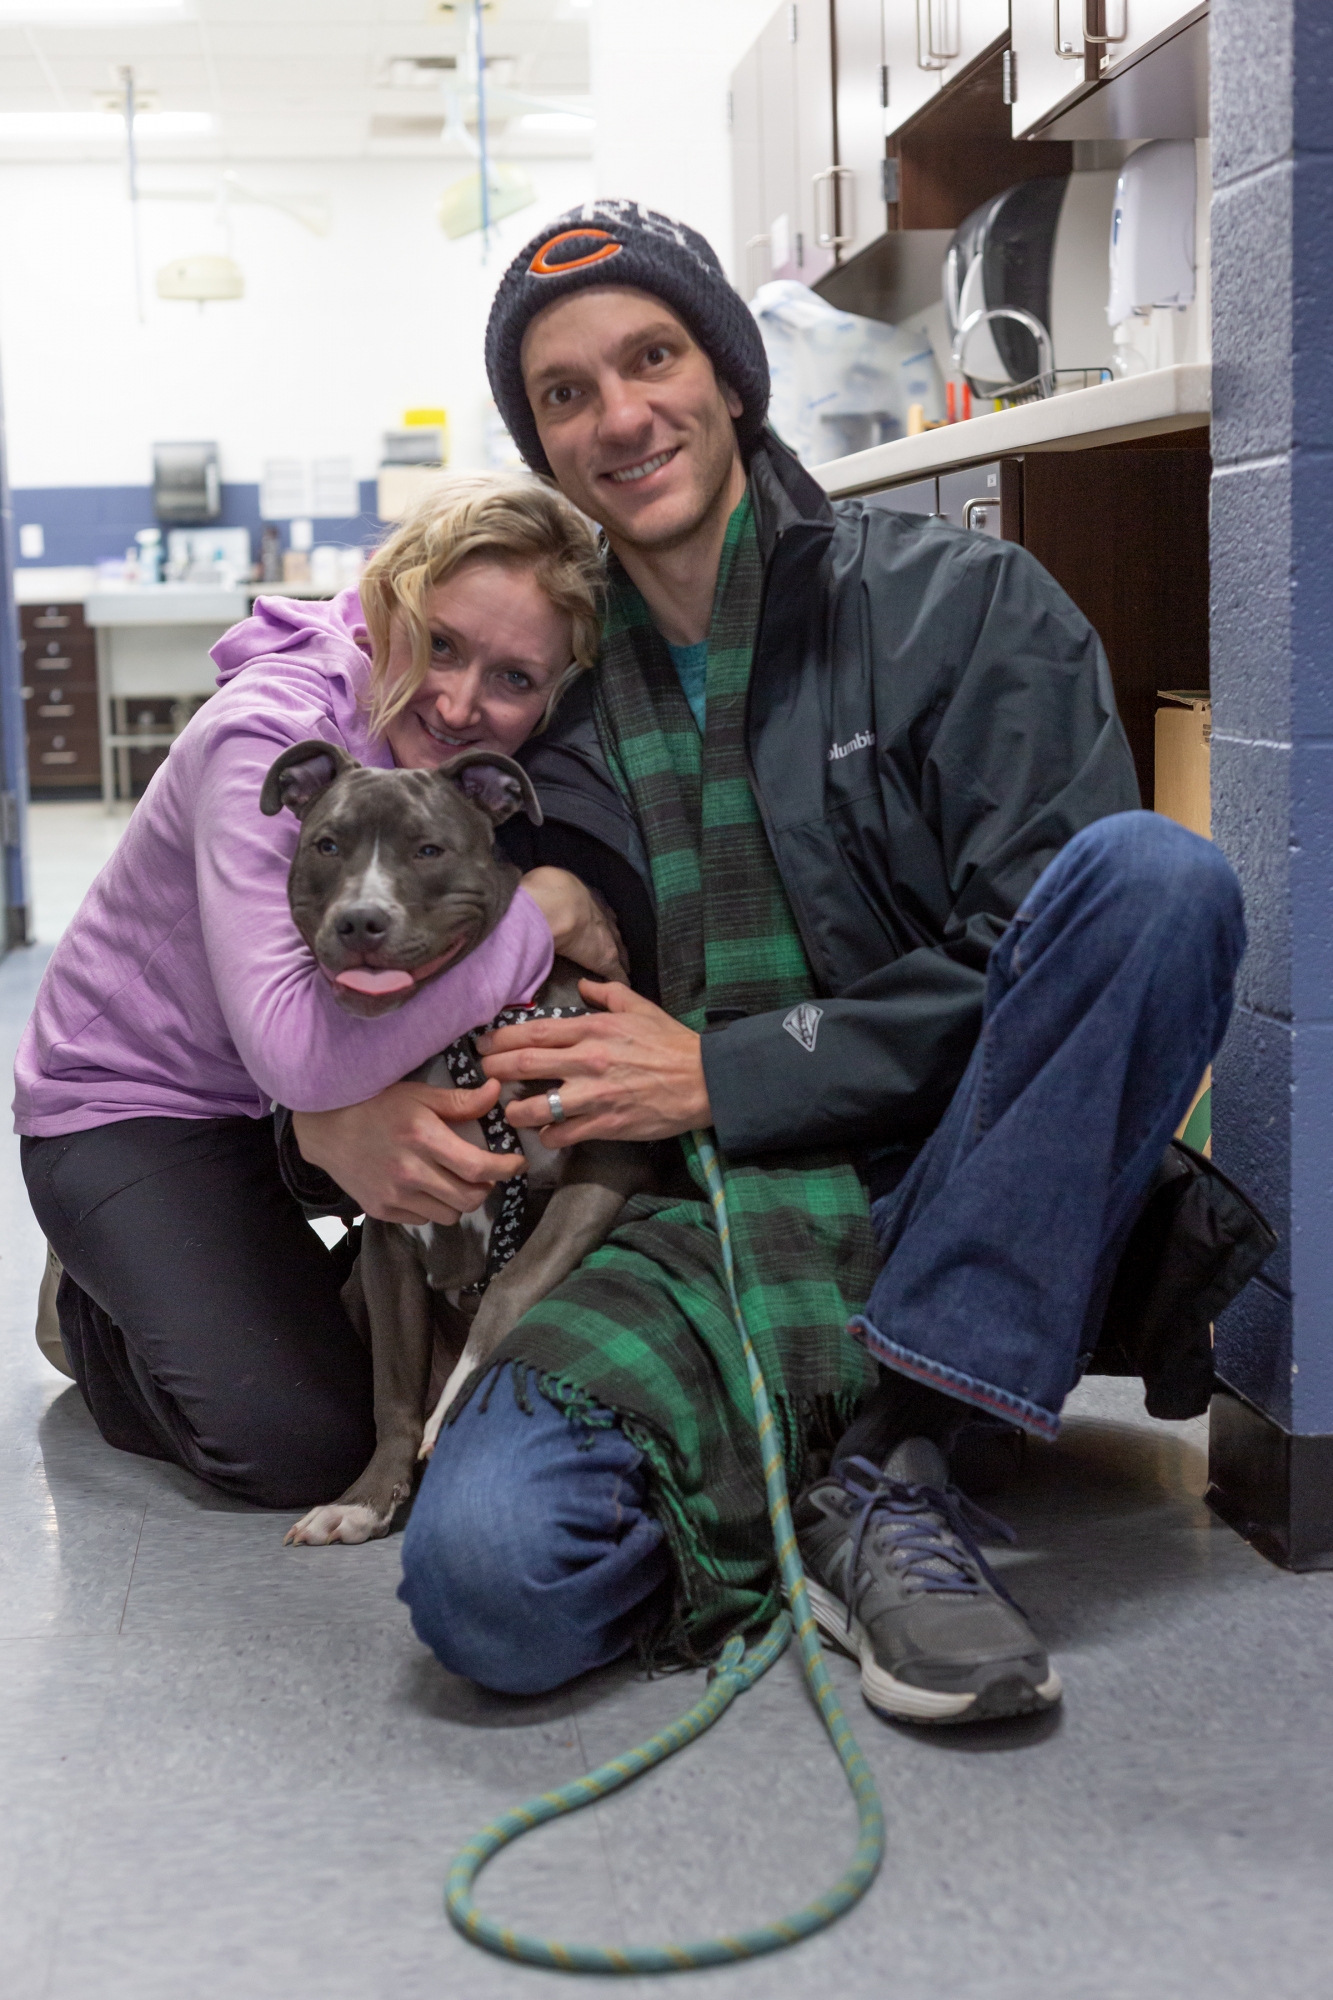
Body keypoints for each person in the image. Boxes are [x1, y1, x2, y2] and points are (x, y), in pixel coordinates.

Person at [295, 203, 1249, 1727]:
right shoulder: (534, 694)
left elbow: (1036, 963)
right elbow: (350, 912)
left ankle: (887, 1448)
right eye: (564, 393)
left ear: (729, 375)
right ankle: (844, 1466)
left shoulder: (963, 608)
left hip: (954, 1175)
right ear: (541, 447)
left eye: (652, 357)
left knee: (1158, 879)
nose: (621, 415)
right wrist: (318, 1123)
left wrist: (720, 1068)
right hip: (671, 1224)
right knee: (485, 1585)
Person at [16, 474, 624, 1508]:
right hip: (132, 1107)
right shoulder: (264, 733)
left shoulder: (459, 767)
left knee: (357, 1349)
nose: (461, 700)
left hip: (282, 1105)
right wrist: (543, 920)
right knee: (298, 1441)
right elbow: (300, 1051)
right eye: (439, 643)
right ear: (390, 597)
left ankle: (223, 1271)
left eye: (513, 677)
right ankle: (93, 1303)